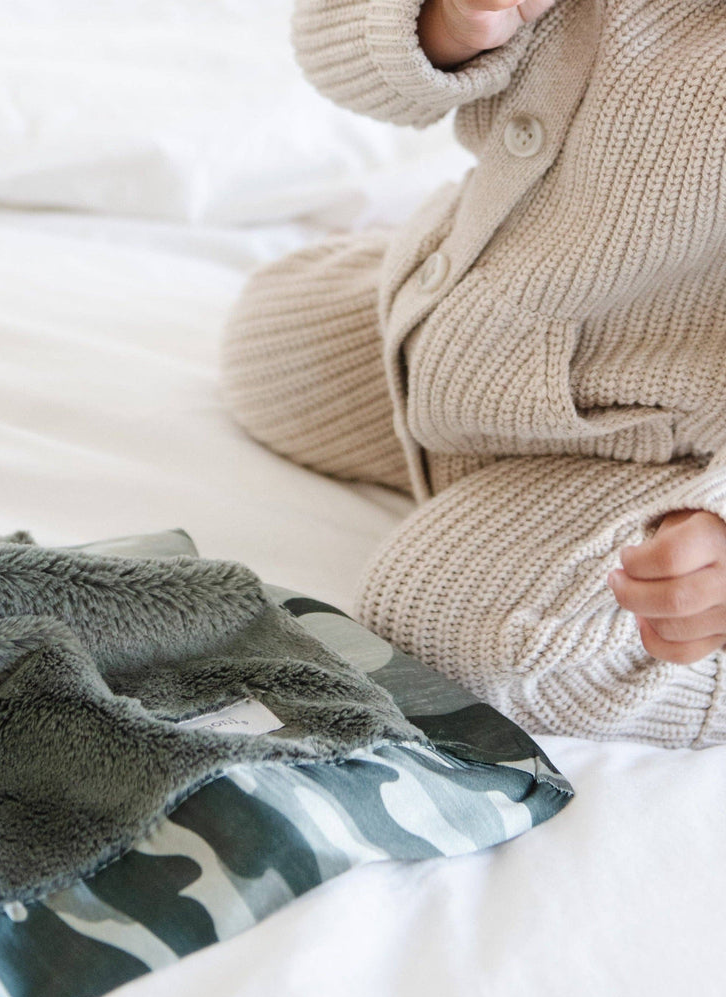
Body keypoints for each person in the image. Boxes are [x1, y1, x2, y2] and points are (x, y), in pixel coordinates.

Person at [220, 0, 726, 747]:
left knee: (440, 626)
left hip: (663, 441)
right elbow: (337, 45)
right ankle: (444, 325)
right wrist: (445, 23)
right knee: (269, 344)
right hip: (493, 326)